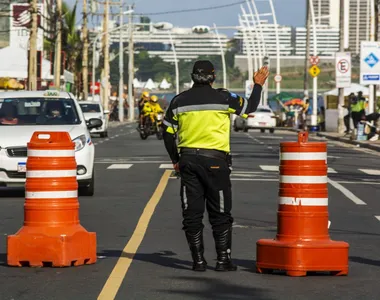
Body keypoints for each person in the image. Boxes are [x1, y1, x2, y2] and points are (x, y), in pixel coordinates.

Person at [162, 60, 269, 272]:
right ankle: (223, 260)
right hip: (215, 162)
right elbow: (250, 107)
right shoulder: (224, 98)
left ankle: (198, 261)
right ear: (213, 77)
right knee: (220, 213)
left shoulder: (178, 101)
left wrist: (175, 160)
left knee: (192, 214)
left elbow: (167, 134)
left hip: (188, 161)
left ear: (192, 77)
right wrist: (258, 84)